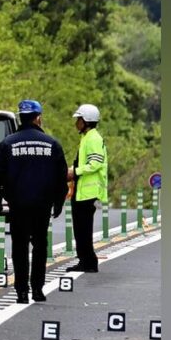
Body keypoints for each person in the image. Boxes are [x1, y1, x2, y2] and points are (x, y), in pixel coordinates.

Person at [0, 100, 68, 303]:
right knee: (40, 246)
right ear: (38, 117)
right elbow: (61, 178)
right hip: (42, 205)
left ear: (20, 117)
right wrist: (58, 203)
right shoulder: (52, 144)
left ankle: (21, 291)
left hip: (18, 205)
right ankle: (38, 290)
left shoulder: (7, 144)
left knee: (20, 247)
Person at [66, 104, 108, 273]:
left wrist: (74, 172)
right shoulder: (87, 137)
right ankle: (85, 260)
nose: (77, 123)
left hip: (87, 192)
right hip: (82, 191)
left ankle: (88, 261)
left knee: (83, 228)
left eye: (79, 120)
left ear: (86, 121)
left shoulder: (93, 138)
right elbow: (83, 162)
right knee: (80, 228)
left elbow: (95, 163)